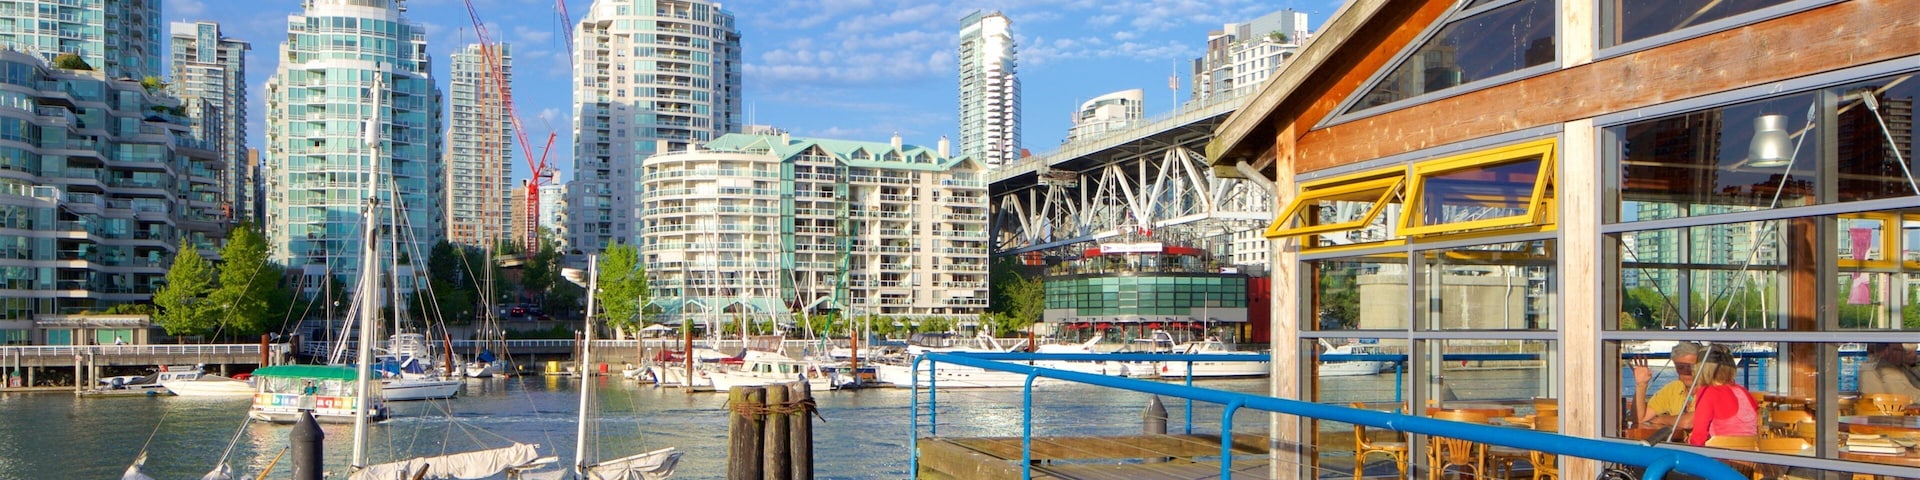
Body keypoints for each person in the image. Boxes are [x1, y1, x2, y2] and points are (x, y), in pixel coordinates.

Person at [1688, 354, 1759, 446]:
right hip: (1750, 455)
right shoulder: (1743, 391)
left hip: (1722, 456)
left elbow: (1698, 438)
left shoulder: (1708, 392)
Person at [1631, 342, 1701, 435]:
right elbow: (1640, 418)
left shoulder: (1711, 389)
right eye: (1681, 367)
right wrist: (1641, 385)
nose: (1687, 372)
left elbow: (1688, 422)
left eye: (1691, 366)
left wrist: (1662, 419)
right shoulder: (1673, 388)